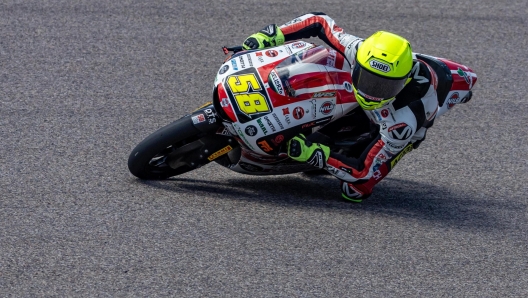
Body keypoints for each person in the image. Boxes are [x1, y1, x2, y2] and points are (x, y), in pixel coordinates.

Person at [242, 12, 440, 202]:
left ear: (403, 82)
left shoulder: (404, 122)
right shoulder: (358, 49)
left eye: (384, 86)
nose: (372, 92)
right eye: (367, 79)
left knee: (354, 191)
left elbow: (363, 172)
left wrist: (316, 154)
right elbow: (319, 21)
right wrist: (272, 34)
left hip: (393, 120)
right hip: (366, 89)